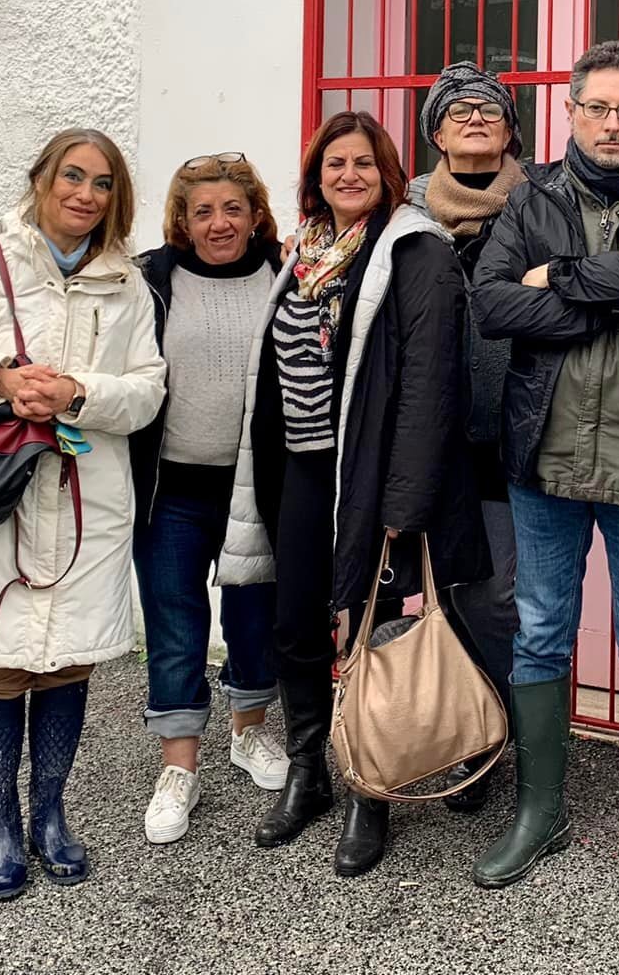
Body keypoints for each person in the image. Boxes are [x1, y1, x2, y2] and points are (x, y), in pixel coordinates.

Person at [469, 41, 619, 920]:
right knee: (540, 633)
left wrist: (563, 279)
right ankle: (541, 813)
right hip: (544, 454)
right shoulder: (529, 196)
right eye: (596, 108)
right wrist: (618, 292)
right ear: (569, 112)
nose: (611, 124)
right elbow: (492, 303)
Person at [217, 110, 487, 879]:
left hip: (373, 473)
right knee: (296, 622)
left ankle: (373, 788)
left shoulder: (415, 249)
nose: (349, 175)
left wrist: (405, 503)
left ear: (388, 173)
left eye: (363, 163)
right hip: (300, 470)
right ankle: (310, 773)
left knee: (370, 631)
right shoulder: (303, 251)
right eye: (334, 163)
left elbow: (430, 385)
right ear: (315, 175)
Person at [0, 128, 166, 900]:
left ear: (117, 200)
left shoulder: (127, 285)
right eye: (72, 176)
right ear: (42, 181)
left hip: (86, 501)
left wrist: (79, 391)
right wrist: (0, 378)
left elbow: (147, 392)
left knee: (68, 660)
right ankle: (1, 827)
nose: (85, 194)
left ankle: (50, 815)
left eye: (103, 183)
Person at [128, 153, 289, 846]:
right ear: (182, 221)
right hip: (173, 488)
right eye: (203, 212)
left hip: (257, 484)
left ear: (255, 217)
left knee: (254, 616)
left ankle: (248, 733)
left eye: (233, 209)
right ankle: (179, 767)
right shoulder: (150, 280)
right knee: (175, 621)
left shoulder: (287, 272)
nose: (219, 223)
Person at [405, 62, 526, 815]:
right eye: (458, 111)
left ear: (512, 131)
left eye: (489, 109)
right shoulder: (406, 212)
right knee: (441, 594)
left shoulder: (542, 201)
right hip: (431, 438)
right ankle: (464, 735)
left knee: (502, 597)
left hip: (515, 434)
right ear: (436, 133)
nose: (475, 118)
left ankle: (508, 729)